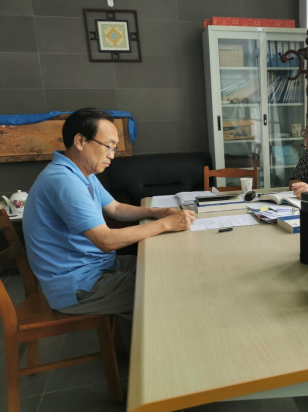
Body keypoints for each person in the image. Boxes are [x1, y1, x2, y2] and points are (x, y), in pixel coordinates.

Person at [23, 108, 196, 320]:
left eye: (114, 148)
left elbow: (115, 208)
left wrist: (156, 212)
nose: (112, 155)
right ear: (80, 141)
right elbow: (106, 241)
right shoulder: (65, 182)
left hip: (98, 266)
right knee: (167, 290)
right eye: (108, 146)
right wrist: (166, 224)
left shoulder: (82, 173)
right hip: (78, 284)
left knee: (164, 265)